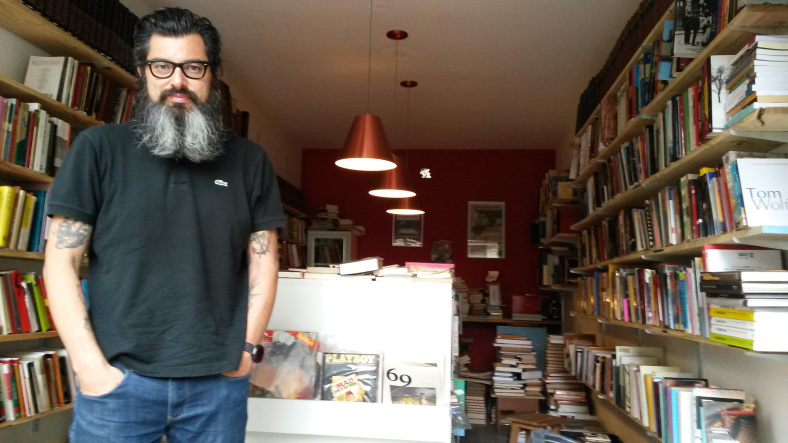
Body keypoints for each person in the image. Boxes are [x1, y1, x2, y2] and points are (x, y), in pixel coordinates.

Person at [43, 7, 285, 442]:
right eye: (162, 66)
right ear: (142, 71)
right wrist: (88, 365)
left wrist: (246, 351)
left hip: (219, 383)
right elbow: (61, 262)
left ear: (213, 75)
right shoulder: (97, 149)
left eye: (193, 67)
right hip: (117, 382)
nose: (178, 81)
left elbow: (264, 263)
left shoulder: (250, 160)